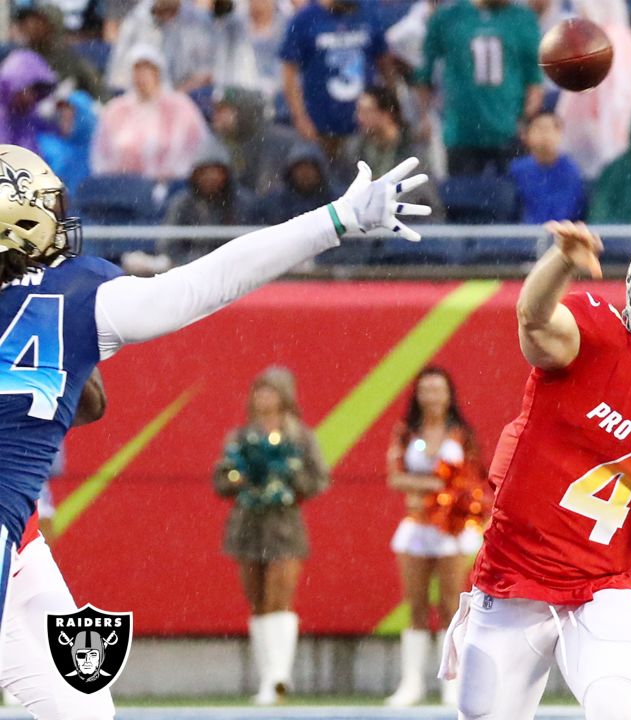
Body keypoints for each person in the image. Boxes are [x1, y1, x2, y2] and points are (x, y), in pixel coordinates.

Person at [0, 137, 429, 691]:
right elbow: (206, 282)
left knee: (78, 706)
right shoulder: (76, 294)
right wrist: (337, 219)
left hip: (23, 536)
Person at [440, 222, 631, 720]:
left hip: (602, 589)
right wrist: (561, 261)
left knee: (615, 710)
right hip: (511, 579)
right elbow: (533, 321)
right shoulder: (595, 338)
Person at [2, 372, 116, 719]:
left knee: (86, 699)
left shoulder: (32, 324)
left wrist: (63, 343)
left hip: (22, 545)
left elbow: (91, 405)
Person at [214, 366, 329, 705]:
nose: (264, 398)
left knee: (281, 595)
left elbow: (318, 478)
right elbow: (221, 478)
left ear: (285, 397)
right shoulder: (239, 437)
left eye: (271, 391)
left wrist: (288, 482)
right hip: (248, 523)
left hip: (284, 524)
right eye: (259, 391)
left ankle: (280, 675)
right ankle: (268, 678)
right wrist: (239, 479)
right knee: (257, 600)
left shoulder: (300, 436)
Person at [385, 366, 489, 708]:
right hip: (417, 526)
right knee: (415, 605)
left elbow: (473, 480)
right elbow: (395, 476)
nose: (431, 396)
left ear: (449, 394)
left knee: (449, 605)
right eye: (425, 389)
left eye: (438, 389)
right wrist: (431, 486)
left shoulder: (461, 434)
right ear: (417, 394)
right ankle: (412, 683)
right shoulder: (405, 432)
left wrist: (445, 492)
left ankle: (452, 682)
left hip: (453, 529)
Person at [417, 0, 543, 177]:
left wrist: (526, 121)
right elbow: (424, 72)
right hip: (462, 134)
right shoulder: (449, 17)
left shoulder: (522, 18)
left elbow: (534, 81)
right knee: (462, 200)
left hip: (508, 132)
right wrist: (425, 116)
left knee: (510, 199)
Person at [279, 0, 392, 161]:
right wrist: (300, 117)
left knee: (368, 175)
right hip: (321, 125)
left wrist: (390, 106)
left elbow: (385, 63)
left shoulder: (367, 12)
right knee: (327, 178)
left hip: (364, 125)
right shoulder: (305, 18)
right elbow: (289, 74)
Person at [554, 0, 631, 179]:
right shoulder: (621, 36)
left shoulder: (613, 37)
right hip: (592, 121)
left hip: (609, 120)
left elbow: (619, 92)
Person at [89, 45, 210, 182]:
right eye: (137, 70)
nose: (141, 76)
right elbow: (100, 156)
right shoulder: (116, 109)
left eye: (147, 69)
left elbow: (197, 150)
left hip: (169, 186)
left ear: (158, 73)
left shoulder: (181, 107)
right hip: (122, 187)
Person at [508, 110, 586, 224]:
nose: (544, 135)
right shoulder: (517, 170)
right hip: (524, 236)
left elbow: (567, 212)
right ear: (526, 135)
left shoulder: (571, 171)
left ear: (560, 134)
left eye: (549, 129)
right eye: (539, 128)